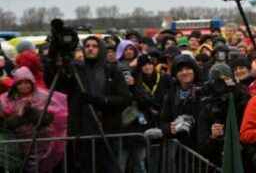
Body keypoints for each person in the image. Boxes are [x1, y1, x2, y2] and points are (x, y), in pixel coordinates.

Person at [49, 35, 131, 173]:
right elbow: (56, 83)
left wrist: (101, 100)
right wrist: (56, 60)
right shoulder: (76, 70)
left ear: (101, 49)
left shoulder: (112, 70)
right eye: (87, 46)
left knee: (108, 167)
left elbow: (125, 99)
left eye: (94, 46)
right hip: (83, 131)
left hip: (107, 129)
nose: (90, 49)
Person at [0, 67, 67, 173]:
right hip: (20, 148)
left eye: (27, 82)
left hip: (44, 146)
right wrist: (19, 116)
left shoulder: (44, 97)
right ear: (15, 85)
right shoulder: (6, 100)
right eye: (20, 83)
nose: (24, 86)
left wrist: (31, 111)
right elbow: (5, 125)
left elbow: (51, 118)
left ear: (32, 82)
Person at [119, 54, 171, 173]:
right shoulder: (136, 80)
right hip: (139, 123)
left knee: (152, 156)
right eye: (144, 65)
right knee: (137, 158)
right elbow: (139, 100)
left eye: (149, 64)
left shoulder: (163, 78)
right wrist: (132, 87)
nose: (147, 67)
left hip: (158, 120)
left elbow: (166, 97)